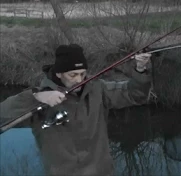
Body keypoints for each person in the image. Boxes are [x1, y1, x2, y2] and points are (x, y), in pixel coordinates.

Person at [0, 44, 152, 175]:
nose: (79, 80)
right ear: (59, 73)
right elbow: (3, 113)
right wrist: (36, 97)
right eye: (73, 75)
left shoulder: (98, 90)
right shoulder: (40, 99)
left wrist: (140, 70)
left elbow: (136, 95)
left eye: (82, 74)